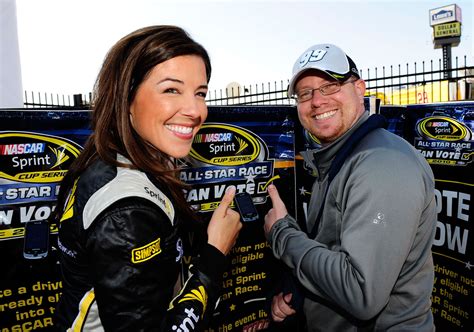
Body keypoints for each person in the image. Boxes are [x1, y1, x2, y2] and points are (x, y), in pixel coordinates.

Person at [53, 25, 242, 331]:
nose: (195, 110)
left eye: (200, 93)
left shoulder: (119, 160)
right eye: (171, 90)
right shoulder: (128, 210)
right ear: (126, 98)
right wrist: (214, 254)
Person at [264, 44, 436, 331]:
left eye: (330, 86)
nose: (317, 101)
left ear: (359, 89)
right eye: (305, 94)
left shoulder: (382, 165)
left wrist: (282, 234)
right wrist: (299, 293)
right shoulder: (340, 157)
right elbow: (332, 248)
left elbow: (360, 293)